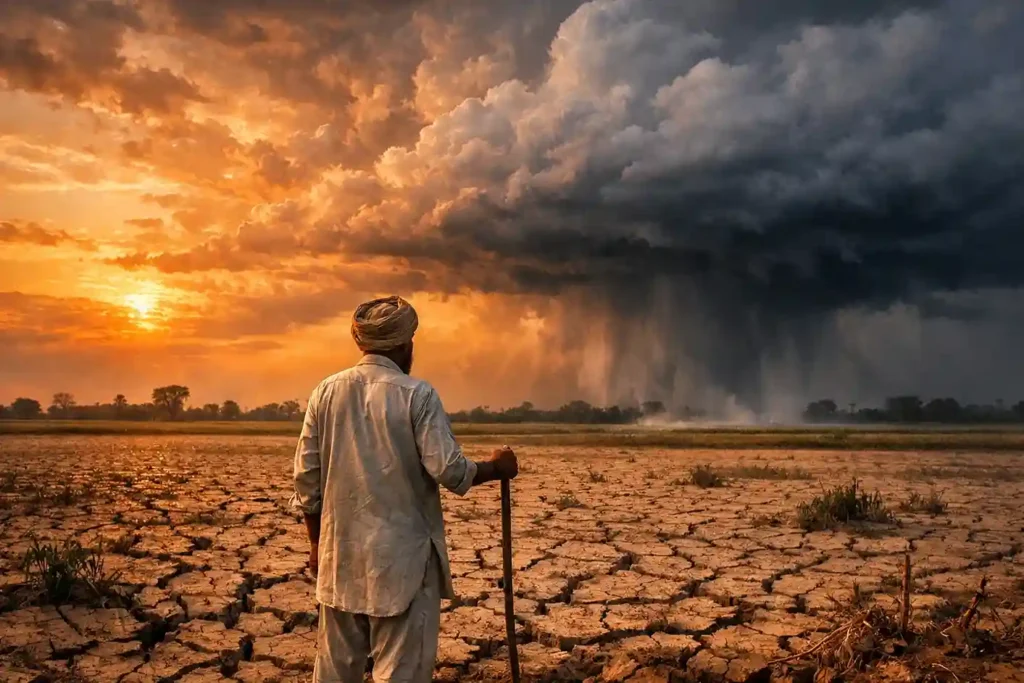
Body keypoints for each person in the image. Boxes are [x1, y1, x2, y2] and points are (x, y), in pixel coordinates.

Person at [292, 295, 519, 683]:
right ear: (405, 343)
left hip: (338, 559)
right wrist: (496, 467)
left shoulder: (325, 393)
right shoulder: (417, 394)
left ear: (360, 341)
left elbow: (306, 482)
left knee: (334, 673)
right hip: (404, 567)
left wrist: (316, 546)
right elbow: (449, 470)